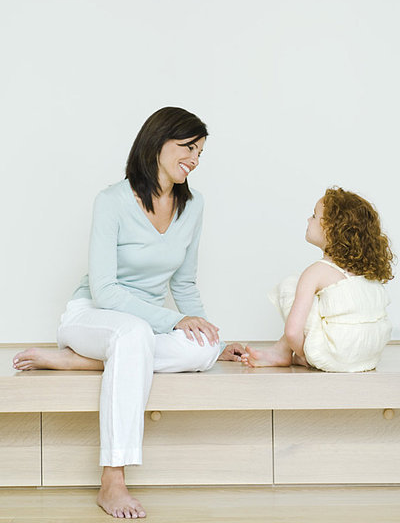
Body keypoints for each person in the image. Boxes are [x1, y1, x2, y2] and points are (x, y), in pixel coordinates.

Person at [13, 106, 244, 519]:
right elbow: (104, 290)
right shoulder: (112, 201)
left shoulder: (193, 207)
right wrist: (174, 321)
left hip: (140, 327)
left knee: (199, 352)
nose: (194, 159)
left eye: (201, 152)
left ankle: (81, 364)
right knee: (133, 335)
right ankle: (113, 479)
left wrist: (216, 342)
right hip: (93, 315)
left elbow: (184, 284)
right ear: (157, 142)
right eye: (187, 147)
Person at [242, 187, 394, 372]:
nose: (308, 219)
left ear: (331, 229)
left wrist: (307, 356)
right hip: (368, 356)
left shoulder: (317, 272)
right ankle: (281, 350)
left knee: (291, 285)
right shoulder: (367, 273)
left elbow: (292, 331)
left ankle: (283, 352)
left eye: (314, 216)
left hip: (336, 357)